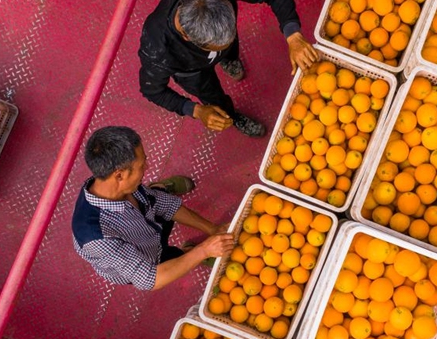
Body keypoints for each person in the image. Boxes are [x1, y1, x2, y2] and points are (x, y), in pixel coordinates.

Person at [72, 126, 234, 291]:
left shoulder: (115, 183)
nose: (147, 167)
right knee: (174, 259)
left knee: (156, 196)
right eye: (142, 165)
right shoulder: (97, 238)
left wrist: (212, 229)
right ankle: (189, 252)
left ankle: (160, 187)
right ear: (119, 175)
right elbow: (151, 279)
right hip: (147, 257)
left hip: (150, 224)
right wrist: (203, 251)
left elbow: (166, 205)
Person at [138, 0, 318, 137]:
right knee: (214, 100)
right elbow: (153, 91)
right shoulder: (157, 50)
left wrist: (293, 35)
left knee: (230, 49)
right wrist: (195, 110)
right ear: (186, 36)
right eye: (216, 47)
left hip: (219, 45)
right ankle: (232, 116)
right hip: (192, 71)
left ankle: (229, 59)